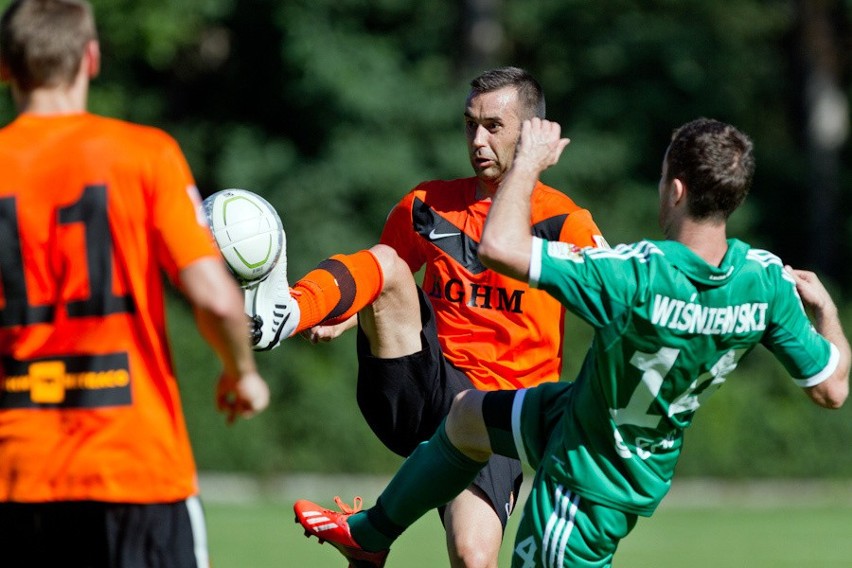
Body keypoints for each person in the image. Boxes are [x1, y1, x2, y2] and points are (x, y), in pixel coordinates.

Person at [292, 117, 850, 567]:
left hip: (591, 472)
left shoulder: (638, 274)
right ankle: (369, 535)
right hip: (596, 418)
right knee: (466, 419)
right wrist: (826, 312)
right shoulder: (766, 281)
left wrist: (528, 166)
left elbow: (500, 250)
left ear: (674, 189)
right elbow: (832, 390)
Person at [246, 67, 606, 567]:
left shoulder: (564, 221)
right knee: (389, 261)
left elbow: (617, 300)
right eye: (469, 124)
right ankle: (284, 310)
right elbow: (379, 274)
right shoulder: (426, 204)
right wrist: (338, 314)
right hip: (419, 384)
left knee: (472, 556)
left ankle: (368, 543)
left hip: (497, 416)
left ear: (531, 135)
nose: (477, 140)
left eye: (493, 127)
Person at [0, 1, 270, 567]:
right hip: (136, 466)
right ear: (91, 59)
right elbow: (215, 297)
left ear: (6, 67)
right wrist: (240, 373)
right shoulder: (144, 154)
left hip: (18, 473)